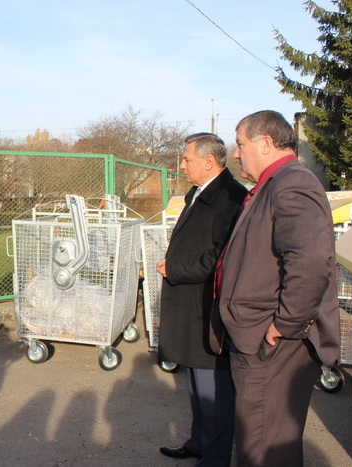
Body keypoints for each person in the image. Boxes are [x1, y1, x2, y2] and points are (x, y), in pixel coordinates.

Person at [211, 110, 340, 466]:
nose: (235, 153)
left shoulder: (292, 182)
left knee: (264, 447)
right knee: (265, 441)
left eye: (241, 144)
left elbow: (311, 260)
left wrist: (284, 324)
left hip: (272, 343)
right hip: (260, 338)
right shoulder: (274, 183)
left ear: (266, 143)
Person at [156, 133, 248, 466]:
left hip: (208, 310)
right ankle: (198, 443)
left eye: (187, 160)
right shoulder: (200, 191)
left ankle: (215, 458)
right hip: (191, 307)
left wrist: (175, 268)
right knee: (197, 385)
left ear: (209, 162)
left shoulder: (231, 197)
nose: (182, 166)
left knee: (215, 393)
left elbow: (223, 257)